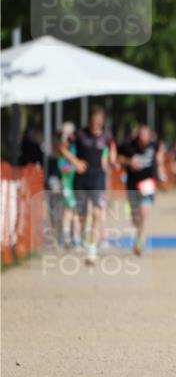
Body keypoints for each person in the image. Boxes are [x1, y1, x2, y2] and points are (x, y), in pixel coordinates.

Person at [61, 106, 115, 265]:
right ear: (90, 120)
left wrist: (112, 160)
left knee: (98, 213)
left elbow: (112, 148)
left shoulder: (106, 135)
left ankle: (92, 250)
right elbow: (62, 147)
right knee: (83, 215)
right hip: (82, 178)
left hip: (98, 177)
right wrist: (75, 161)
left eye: (99, 121)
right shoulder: (79, 134)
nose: (96, 124)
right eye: (94, 120)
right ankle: (86, 236)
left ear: (102, 121)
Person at [119, 124, 166, 256]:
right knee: (135, 217)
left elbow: (161, 149)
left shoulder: (154, 145)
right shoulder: (128, 146)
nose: (144, 143)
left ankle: (140, 243)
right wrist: (129, 162)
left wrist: (160, 167)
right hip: (132, 185)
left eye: (147, 139)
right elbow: (118, 158)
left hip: (148, 184)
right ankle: (139, 232)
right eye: (141, 139)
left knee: (145, 214)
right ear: (137, 137)